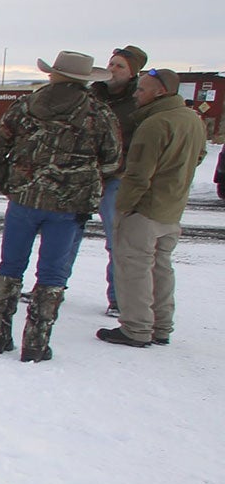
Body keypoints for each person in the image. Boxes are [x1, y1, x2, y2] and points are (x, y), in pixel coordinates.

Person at [0, 50, 122, 361]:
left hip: (24, 201)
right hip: (69, 208)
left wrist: (8, 185)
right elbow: (111, 160)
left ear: (53, 74)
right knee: (53, 274)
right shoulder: (99, 113)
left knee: (10, 267)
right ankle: (37, 343)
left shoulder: (25, 106)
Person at [98, 69, 206, 348]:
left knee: (134, 268)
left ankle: (136, 328)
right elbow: (199, 155)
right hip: (171, 209)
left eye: (142, 90)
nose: (136, 94)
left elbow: (138, 175)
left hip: (144, 210)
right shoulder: (191, 120)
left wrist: (123, 209)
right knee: (161, 267)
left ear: (160, 92)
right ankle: (161, 325)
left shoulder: (155, 124)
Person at [90, 44, 147, 313]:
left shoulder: (138, 103)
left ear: (133, 72)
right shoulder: (93, 95)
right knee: (68, 232)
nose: (112, 69)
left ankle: (117, 297)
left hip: (116, 179)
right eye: (111, 64)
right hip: (87, 176)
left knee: (116, 240)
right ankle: (52, 287)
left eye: (120, 66)